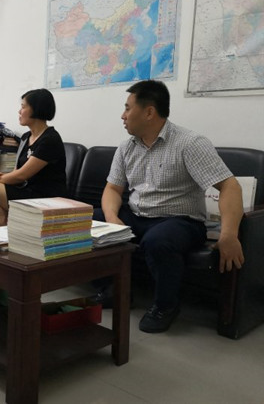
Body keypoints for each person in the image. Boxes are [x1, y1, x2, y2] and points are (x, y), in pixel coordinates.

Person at [96, 79, 244, 333]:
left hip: (179, 220)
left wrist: (229, 234)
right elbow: (113, 189)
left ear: (149, 112)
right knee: (89, 222)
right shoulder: (126, 147)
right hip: (137, 214)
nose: (123, 115)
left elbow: (230, 187)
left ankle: (166, 305)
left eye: (128, 108)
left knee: (159, 241)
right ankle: (114, 289)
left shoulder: (190, 143)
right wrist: (111, 217)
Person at [0, 88, 67, 220]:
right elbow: (16, 172)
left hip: (46, 198)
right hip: (26, 192)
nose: (19, 111)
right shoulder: (25, 137)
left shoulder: (50, 139)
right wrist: (1, 176)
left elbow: (21, 176)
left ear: (36, 109)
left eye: (23, 107)